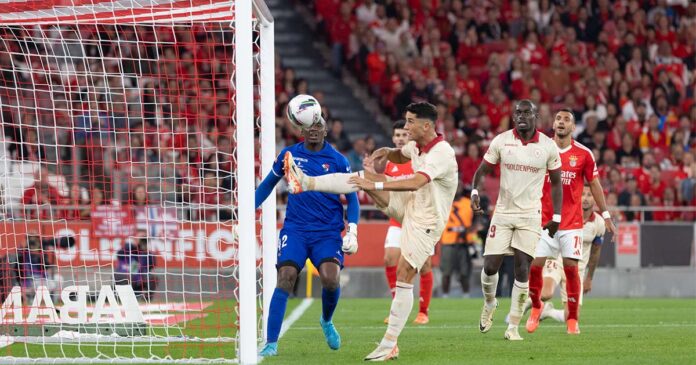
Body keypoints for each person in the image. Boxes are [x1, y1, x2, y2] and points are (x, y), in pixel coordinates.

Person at [283, 102, 458, 361]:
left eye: (410, 122)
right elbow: (403, 155)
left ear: (426, 125)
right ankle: (306, 183)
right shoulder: (417, 145)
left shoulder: (442, 153)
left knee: (405, 272)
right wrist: (387, 152)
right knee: (359, 178)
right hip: (412, 203)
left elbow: (417, 180)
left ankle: (390, 344)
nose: (405, 126)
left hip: (427, 219)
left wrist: (374, 181)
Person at [255, 109, 360, 357]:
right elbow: (268, 184)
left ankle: (326, 320)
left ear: (326, 129)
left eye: (318, 126)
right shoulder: (289, 155)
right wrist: (246, 211)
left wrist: (352, 230)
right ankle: (271, 342)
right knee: (286, 276)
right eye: (309, 127)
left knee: (330, 279)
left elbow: (352, 199)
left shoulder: (338, 160)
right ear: (302, 130)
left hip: (327, 232)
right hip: (296, 230)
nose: (314, 130)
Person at [470, 99, 563, 341]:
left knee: (522, 268)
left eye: (526, 113)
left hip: (530, 215)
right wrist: (475, 191)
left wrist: (556, 216)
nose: (520, 116)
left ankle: (513, 326)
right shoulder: (501, 140)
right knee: (490, 265)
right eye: (517, 113)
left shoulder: (548, 146)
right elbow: (482, 170)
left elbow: (556, 183)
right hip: (503, 212)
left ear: (535, 116)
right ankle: (489, 303)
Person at [526, 109, 616, 335]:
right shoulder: (541, 149)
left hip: (572, 224)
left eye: (566, 119)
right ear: (553, 124)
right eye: (558, 118)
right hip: (545, 223)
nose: (561, 122)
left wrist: (605, 215)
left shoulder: (584, 154)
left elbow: (594, 184)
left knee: (572, 270)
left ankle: (572, 320)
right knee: (535, 266)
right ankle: (537, 307)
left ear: (574, 127)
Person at [529, 184, 608, 324]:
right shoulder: (565, 215)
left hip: (578, 269)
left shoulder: (599, 223)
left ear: (595, 199)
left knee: (571, 317)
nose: (585, 198)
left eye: (589, 195)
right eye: (583, 194)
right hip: (557, 260)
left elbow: (596, 252)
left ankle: (547, 311)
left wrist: (589, 278)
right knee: (546, 293)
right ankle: (519, 308)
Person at [383, 119, 433, 325]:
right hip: (398, 220)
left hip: (420, 218)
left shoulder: (419, 158)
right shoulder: (390, 162)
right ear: (393, 138)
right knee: (389, 259)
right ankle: (398, 307)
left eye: (404, 135)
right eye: (397, 135)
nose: (400, 138)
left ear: (410, 136)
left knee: (425, 264)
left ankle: (423, 311)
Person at [439, 184, 474, 297]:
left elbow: (477, 220)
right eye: (455, 185)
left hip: (464, 242)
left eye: (459, 185)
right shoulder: (443, 202)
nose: (457, 187)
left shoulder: (468, 203)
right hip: (448, 241)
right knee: (446, 272)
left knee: (464, 272)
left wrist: (470, 232)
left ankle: (466, 295)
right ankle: (445, 295)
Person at [114, 232, 158, 301]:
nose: (143, 242)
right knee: (127, 277)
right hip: (124, 278)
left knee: (152, 278)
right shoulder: (128, 249)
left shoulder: (147, 255)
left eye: (145, 240)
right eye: (141, 239)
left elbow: (152, 264)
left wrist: (145, 250)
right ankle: (121, 298)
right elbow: (120, 253)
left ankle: (146, 300)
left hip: (138, 280)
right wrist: (135, 245)